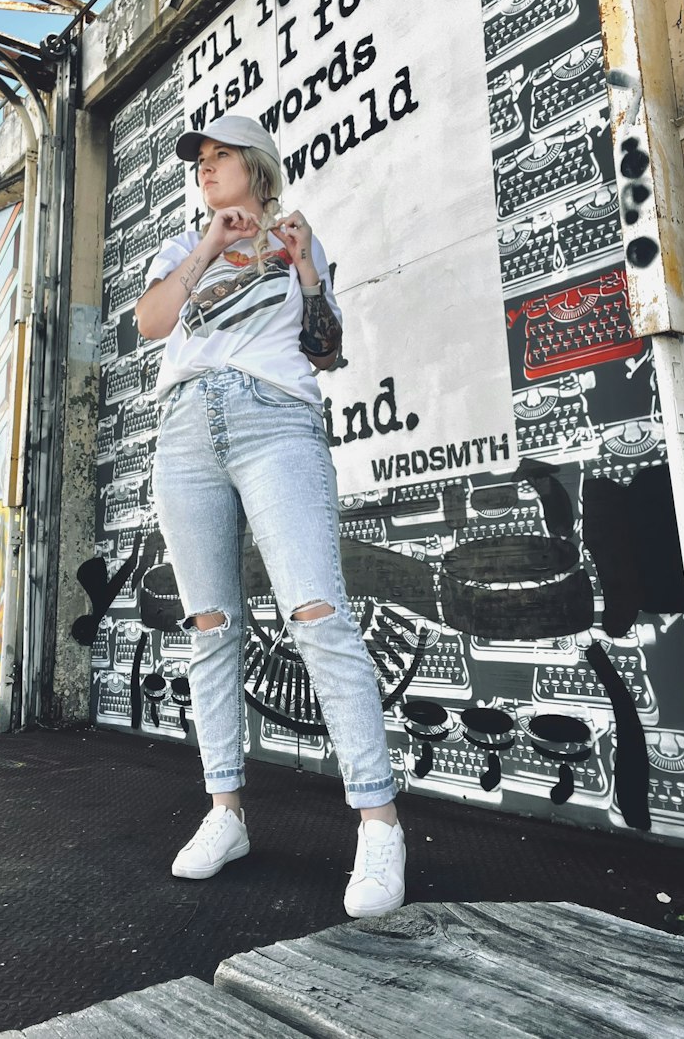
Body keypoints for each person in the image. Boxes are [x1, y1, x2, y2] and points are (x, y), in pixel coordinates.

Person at [135, 113, 406, 918]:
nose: (207, 170)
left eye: (222, 158)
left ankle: (380, 822)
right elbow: (151, 325)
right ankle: (226, 813)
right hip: (185, 431)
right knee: (211, 627)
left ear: (257, 167)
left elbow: (325, 348)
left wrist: (309, 274)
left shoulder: (296, 239)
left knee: (318, 612)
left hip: (273, 419)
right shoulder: (181, 246)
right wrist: (209, 248)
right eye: (201, 161)